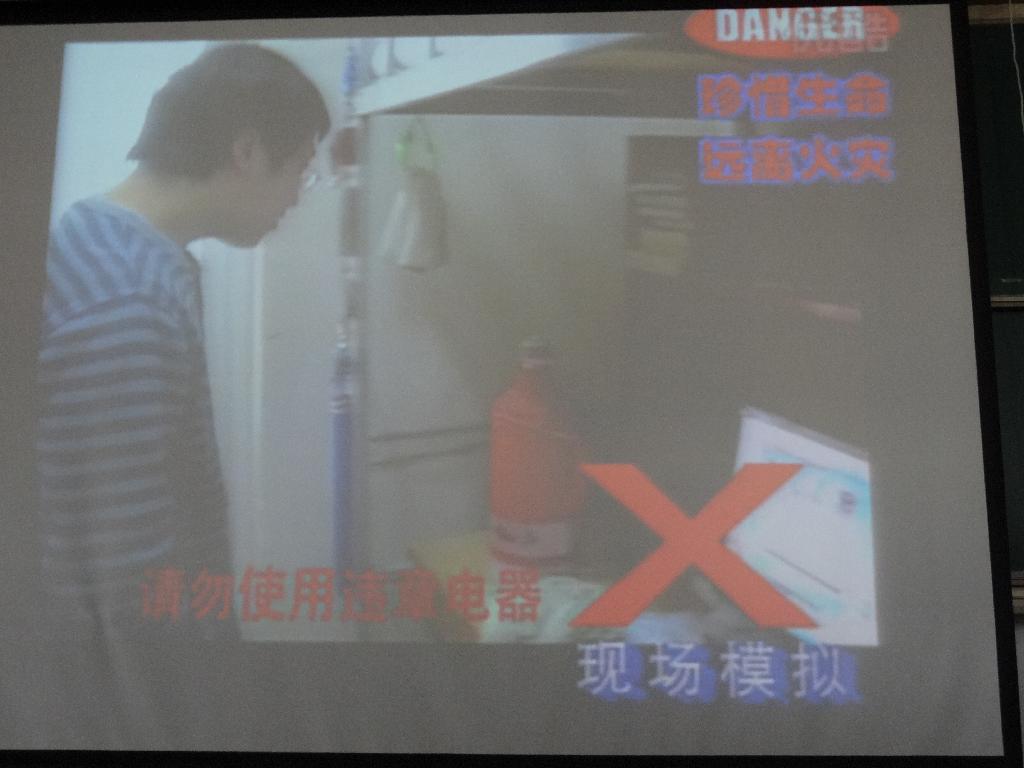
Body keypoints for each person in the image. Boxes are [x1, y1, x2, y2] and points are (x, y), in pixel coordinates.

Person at [33, 43, 330, 747]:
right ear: (247, 151)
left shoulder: (102, 240)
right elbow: (126, 592)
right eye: (300, 169)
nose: (298, 194)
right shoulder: (128, 307)